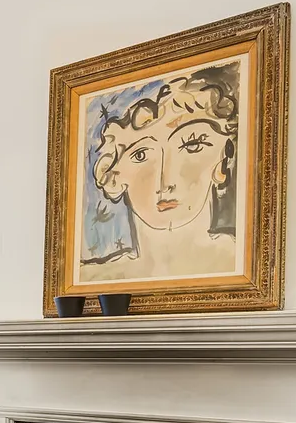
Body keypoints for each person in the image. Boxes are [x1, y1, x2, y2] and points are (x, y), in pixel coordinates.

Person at [79, 61, 241, 281]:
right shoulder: (94, 280)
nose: (165, 181)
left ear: (222, 162)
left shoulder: (238, 263)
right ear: (114, 176)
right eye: (141, 155)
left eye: (192, 145)